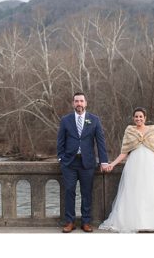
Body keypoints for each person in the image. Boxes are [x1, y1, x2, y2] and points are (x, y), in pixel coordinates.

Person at [99, 108, 154, 232]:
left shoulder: (153, 130)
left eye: (141, 117)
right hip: (134, 165)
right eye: (136, 117)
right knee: (134, 191)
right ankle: (136, 222)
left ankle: (153, 222)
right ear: (133, 118)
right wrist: (113, 164)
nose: (138, 119)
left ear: (145, 118)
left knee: (151, 191)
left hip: (150, 164)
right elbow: (124, 152)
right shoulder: (129, 131)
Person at [56, 92, 110, 232]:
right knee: (69, 192)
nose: (79, 103)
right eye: (76, 101)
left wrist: (104, 161)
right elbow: (60, 141)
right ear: (73, 103)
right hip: (69, 163)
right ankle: (70, 222)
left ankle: (86, 222)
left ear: (86, 103)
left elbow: (100, 142)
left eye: (81, 101)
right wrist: (61, 158)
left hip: (88, 163)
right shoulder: (65, 120)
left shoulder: (94, 120)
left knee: (86, 193)